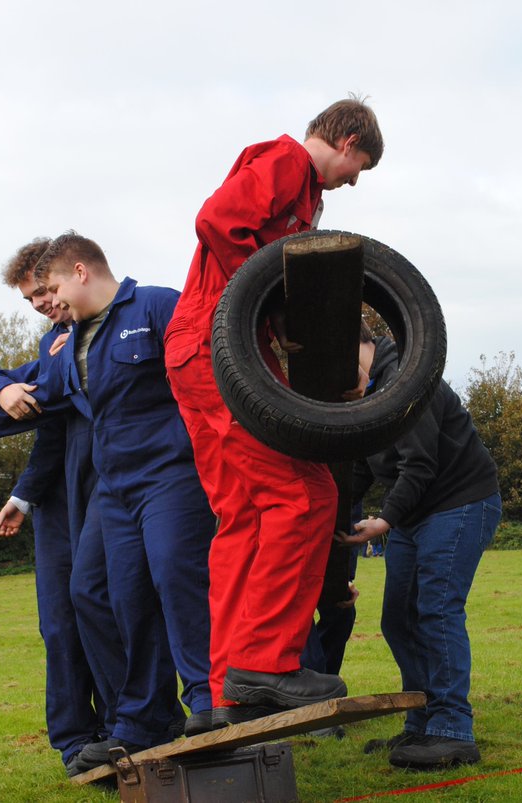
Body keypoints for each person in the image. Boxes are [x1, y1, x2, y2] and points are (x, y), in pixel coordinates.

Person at [163, 97, 383, 725]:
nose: (354, 181)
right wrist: (255, 301)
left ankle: (226, 688)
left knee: (245, 516)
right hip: (212, 349)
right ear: (345, 140)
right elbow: (217, 221)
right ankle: (266, 663)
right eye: (359, 166)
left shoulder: (304, 196)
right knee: (304, 496)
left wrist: (280, 319)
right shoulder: (287, 160)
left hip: (203, 355)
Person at [0, 232, 215, 769]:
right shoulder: (69, 343)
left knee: (175, 574)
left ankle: (209, 699)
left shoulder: (156, 304)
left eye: (49, 289)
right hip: (115, 486)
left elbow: (212, 359)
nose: (46, 304)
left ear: (79, 272)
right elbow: (40, 397)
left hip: (170, 474)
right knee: (96, 593)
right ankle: (141, 718)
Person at [0, 238, 123, 777]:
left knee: (111, 608)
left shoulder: (105, 331)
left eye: (42, 292)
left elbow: (49, 405)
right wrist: (0, 396)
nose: (41, 305)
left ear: (64, 276)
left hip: (111, 487)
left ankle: (128, 727)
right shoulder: (55, 344)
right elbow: (38, 417)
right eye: (31, 299)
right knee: (60, 622)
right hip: (57, 500)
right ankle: (77, 741)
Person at [339, 326, 502, 770]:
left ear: (364, 344)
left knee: (436, 610)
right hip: (417, 514)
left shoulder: (409, 379)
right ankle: (422, 721)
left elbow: (420, 463)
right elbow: (360, 470)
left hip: (460, 501)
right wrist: (330, 518)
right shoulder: (362, 398)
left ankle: (452, 729)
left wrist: (384, 520)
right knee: (398, 620)